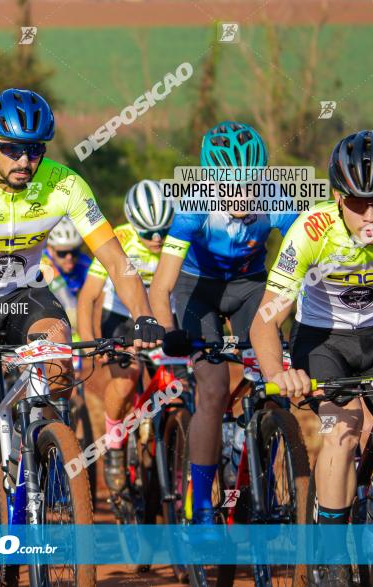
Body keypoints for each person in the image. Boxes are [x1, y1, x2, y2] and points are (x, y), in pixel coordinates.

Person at [0, 88, 163, 587]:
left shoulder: (63, 184)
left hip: (25, 297)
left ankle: (43, 451)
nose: (25, 159)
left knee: (58, 359)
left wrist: (144, 316)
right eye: (14, 148)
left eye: (36, 148)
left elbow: (118, 261)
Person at [150, 121, 297, 526]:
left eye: (251, 183)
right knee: (213, 388)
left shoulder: (278, 200)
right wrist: (169, 332)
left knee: (273, 382)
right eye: (230, 184)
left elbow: (309, 260)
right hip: (199, 288)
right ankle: (201, 507)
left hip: (250, 286)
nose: (243, 193)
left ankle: (260, 474)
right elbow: (161, 287)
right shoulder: (193, 208)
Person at [250, 130, 373, 585]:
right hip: (324, 340)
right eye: (359, 202)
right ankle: (331, 559)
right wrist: (278, 373)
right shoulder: (311, 230)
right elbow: (265, 320)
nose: (370, 214)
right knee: (341, 430)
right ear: (339, 196)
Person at [77, 179, 174, 496]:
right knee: (127, 377)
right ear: (134, 225)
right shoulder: (119, 239)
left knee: (183, 380)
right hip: (119, 319)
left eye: (162, 230)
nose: (157, 239)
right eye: (148, 233)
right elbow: (88, 297)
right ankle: (115, 445)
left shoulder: (179, 239)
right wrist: (92, 344)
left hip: (161, 316)